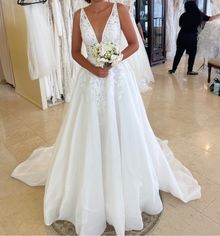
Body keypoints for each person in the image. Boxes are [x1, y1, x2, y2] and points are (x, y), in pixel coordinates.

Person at [11, 0, 201, 235]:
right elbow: (74, 51)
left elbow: (134, 43)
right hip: (90, 82)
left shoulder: (119, 9)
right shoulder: (79, 14)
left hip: (118, 81)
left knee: (122, 129)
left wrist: (116, 58)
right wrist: (93, 68)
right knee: (89, 131)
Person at [169, 1, 220, 75]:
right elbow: (210, 18)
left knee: (178, 53)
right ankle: (189, 70)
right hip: (192, 37)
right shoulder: (198, 15)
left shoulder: (183, 15)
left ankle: (173, 69)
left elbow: (180, 25)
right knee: (192, 54)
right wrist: (219, 14)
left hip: (182, 36)